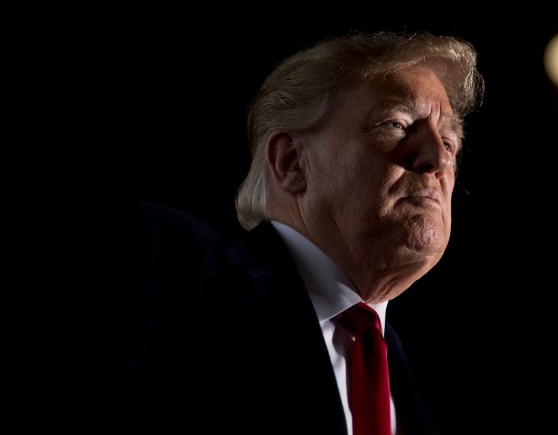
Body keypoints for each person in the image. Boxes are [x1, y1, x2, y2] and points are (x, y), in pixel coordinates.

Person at [26, 30, 485, 434]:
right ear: (291, 163)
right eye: (397, 124)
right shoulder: (155, 262)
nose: (439, 160)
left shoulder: (422, 379)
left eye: (449, 142)